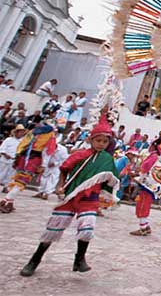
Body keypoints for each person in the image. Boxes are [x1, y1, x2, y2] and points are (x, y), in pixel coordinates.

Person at [19, 113, 119, 277]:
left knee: (87, 227)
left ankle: (79, 260)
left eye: (105, 141)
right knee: (53, 229)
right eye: (98, 140)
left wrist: (108, 192)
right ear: (91, 140)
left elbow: (112, 178)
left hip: (90, 197)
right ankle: (34, 261)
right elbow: (64, 169)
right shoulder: (79, 155)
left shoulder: (107, 158)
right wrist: (60, 185)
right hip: (71, 195)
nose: (101, 144)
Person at [0, 121, 57, 213]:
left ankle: (10, 201)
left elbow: (22, 144)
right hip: (33, 159)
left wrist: (18, 156)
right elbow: (47, 151)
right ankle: (4, 201)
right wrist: (43, 165)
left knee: (18, 180)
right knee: (22, 182)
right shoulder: (50, 135)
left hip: (23, 157)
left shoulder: (33, 132)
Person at [0, 125, 26, 190]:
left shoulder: (23, 142)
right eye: (20, 132)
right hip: (4, 160)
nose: (21, 133)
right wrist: (5, 154)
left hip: (14, 161)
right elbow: (2, 149)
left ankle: (6, 187)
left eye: (22, 132)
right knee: (1, 173)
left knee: (11, 175)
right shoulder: (8, 139)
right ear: (16, 132)